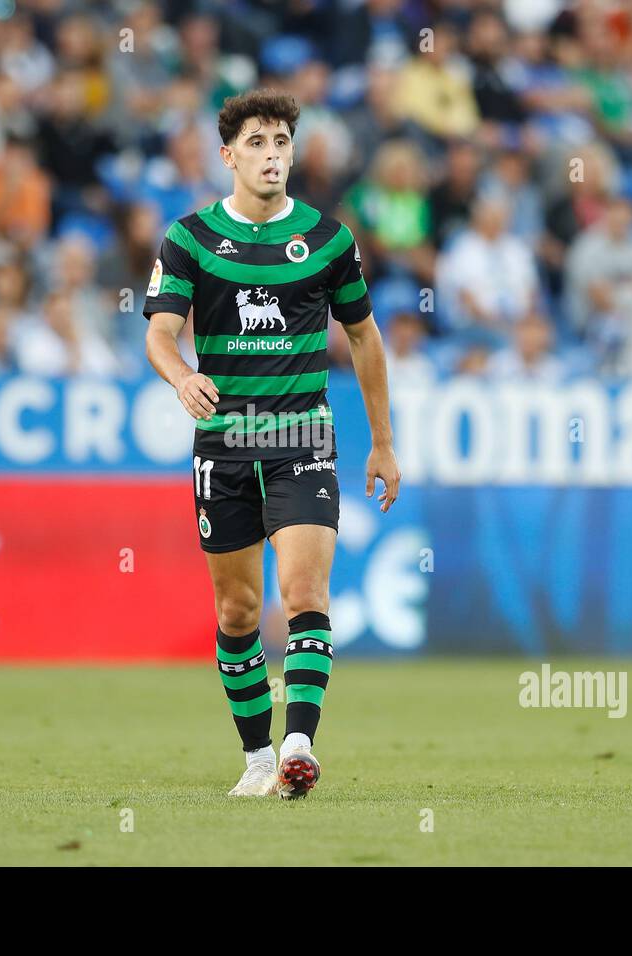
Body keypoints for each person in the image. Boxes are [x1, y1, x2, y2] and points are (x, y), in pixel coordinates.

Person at [143, 89, 400, 799]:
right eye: (256, 142)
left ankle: (297, 745)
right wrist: (181, 376)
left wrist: (382, 442)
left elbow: (364, 335)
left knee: (306, 589)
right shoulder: (190, 238)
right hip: (223, 446)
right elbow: (160, 334)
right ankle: (257, 757)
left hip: (302, 438)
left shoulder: (328, 240)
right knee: (237, 613)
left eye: (281, 141)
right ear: (229, 156)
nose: (271, 154)